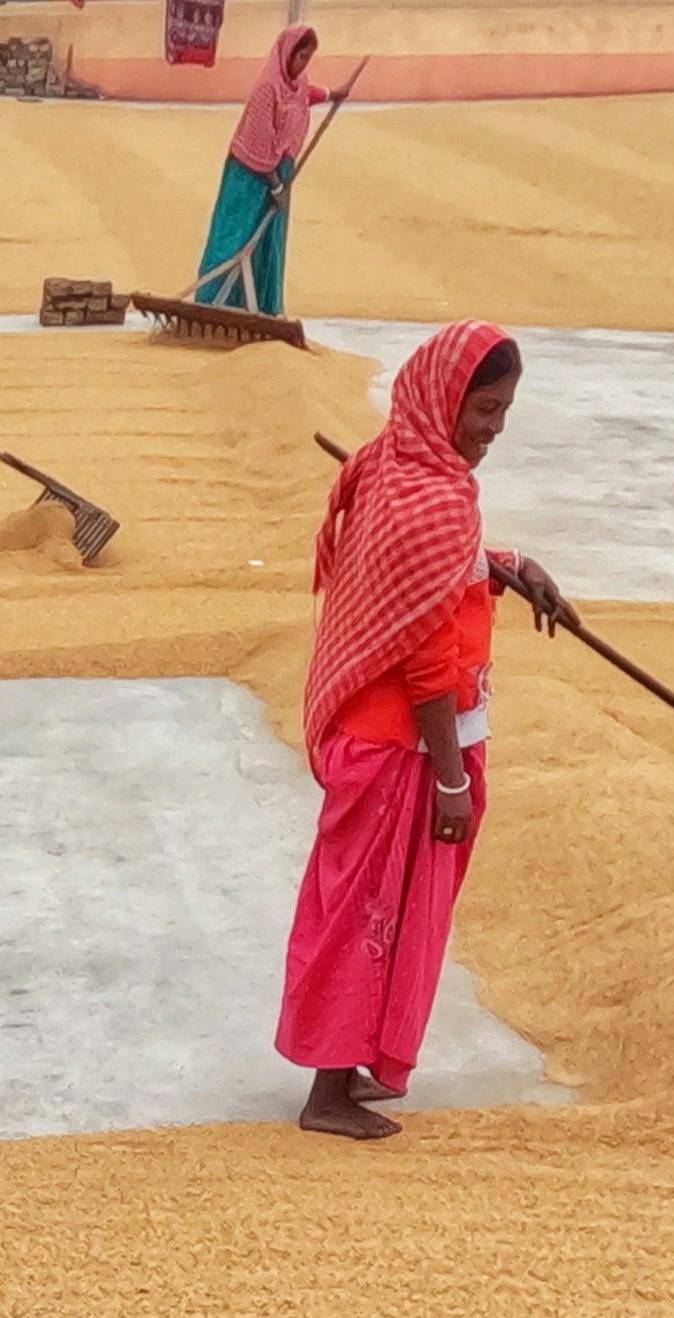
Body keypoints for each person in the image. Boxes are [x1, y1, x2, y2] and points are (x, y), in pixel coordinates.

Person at [281, 320, 566, 1142]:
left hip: (389, 740)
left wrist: (509, 563)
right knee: (365, 913)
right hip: (397, 745)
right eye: (482, 409)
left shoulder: (397, 465)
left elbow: (437, 569)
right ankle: (326, 1093)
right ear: (445, 398)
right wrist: (449, 777)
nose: (491, 431)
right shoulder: (431, 499)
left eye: (505, 412)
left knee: (390, 908)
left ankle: (355, 1063)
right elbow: (427, 662)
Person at [195, 25, 322, 313]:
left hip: (279, 174)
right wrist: (275, 184)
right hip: (249, 176)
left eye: (308, 59)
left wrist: (330, 94)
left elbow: (304, 95)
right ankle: (213, 305)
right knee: (234, 238)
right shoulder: (268, 88)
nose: (303, 65)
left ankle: (262, 309)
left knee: (267, 242)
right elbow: (260, 143)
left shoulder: (297, 82)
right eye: (300, 57)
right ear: (287, 53)